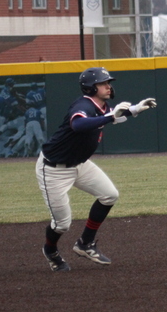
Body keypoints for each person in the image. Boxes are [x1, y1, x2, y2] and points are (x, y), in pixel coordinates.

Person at [36, 67, 156, 272]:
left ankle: (85, 243)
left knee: (110, 195)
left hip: (80, 164)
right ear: (91, 88)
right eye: (103, 83)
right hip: (54, 169)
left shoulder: (102, 106)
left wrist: (135, 109)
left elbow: (111, 115)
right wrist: (110, 117)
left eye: (108, 82)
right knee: (62, 224)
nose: (108, 86)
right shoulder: (83, 104)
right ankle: (51, 250)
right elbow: (79, 124)